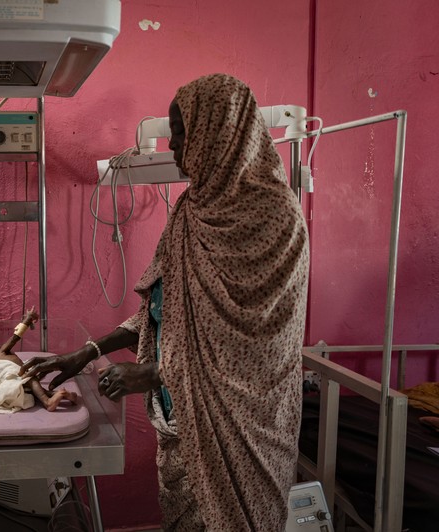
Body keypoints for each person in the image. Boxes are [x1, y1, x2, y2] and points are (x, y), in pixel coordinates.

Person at [21, 74, 309, 531]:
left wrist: (155, 373)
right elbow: (165, 309)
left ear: (220, 133)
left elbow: (261, 349)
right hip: (179, 416)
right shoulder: (191, 211)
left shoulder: (276, 217)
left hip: (241, 430)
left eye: (181, 130)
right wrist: (87, 351)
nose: (173, 144)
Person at [0, 306, 78, 412]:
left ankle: (61, 395)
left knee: (34, 388)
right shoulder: (1, 353)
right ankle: (48, 402)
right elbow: (15, 338)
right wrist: (27, 320)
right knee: (32, 380)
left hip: (13, 382)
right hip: (12, 377)